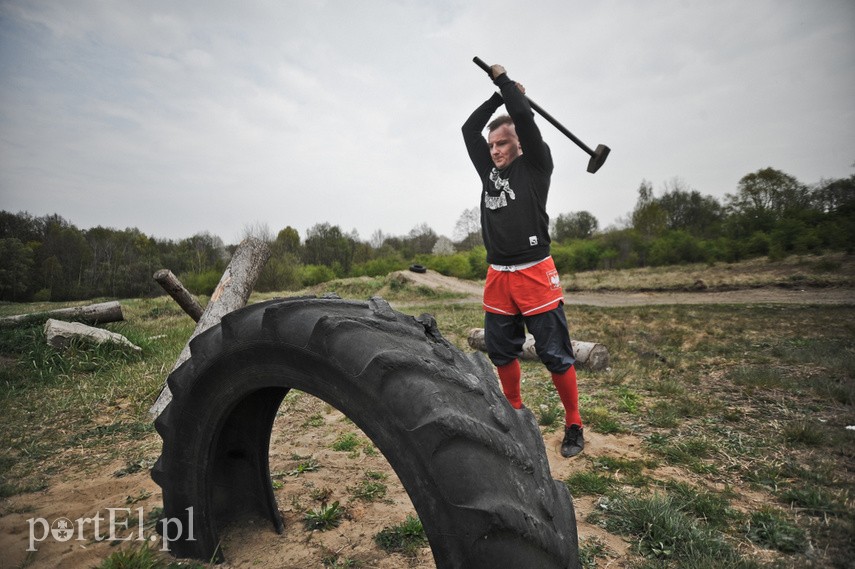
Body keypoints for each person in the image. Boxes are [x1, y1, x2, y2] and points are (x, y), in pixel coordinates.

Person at [462, 63, 584, 458]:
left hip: (535, 271)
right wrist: (497, 96)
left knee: (554, 352)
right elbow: (468, 130)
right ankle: (514, 412)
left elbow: (526, 120)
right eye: (492, 144)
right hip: (498, 274)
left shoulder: (535, 166)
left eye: (503, 142)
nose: (495, 149)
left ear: (519, 144)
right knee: (501, 348)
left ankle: (574, 424)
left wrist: (504, 81)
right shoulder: (488, 171)